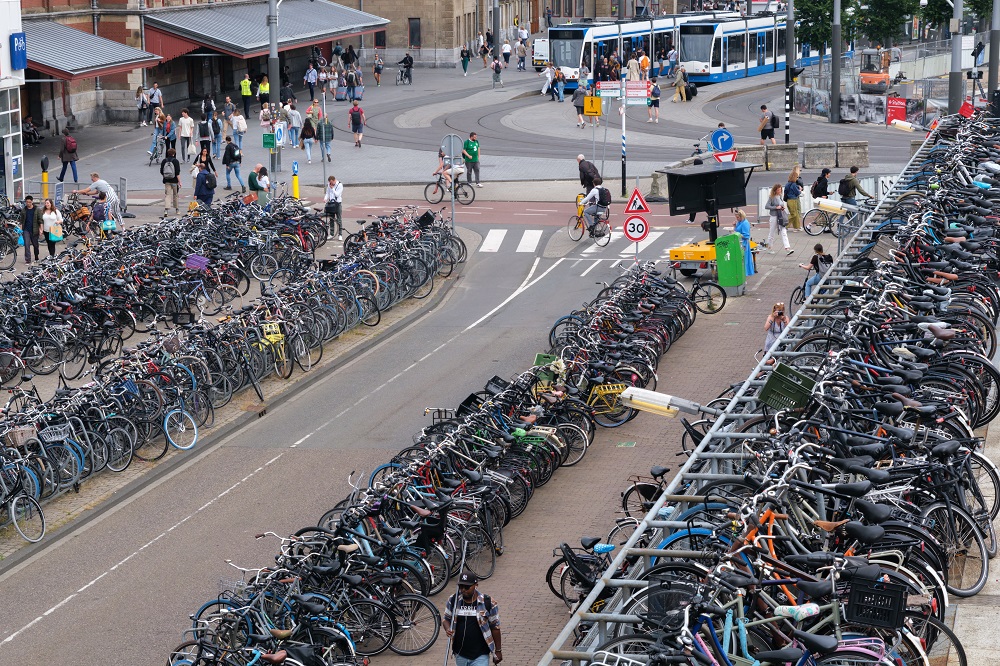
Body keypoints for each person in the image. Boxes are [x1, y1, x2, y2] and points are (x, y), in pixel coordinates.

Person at [443, 572, 502, 666]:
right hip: (460, 653)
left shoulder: (488, 603)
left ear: (476, 585)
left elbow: (495, 627)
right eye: (461, 586)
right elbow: (446, 619)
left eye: (467, 587)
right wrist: (447, 629)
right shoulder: (453, 600)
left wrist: (498, 650)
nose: (463, 590)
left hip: (480, 654)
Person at [764, 183, 793, 256]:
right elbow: (767, 206)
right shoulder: (771, 197)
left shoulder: (780, 196)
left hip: (780, 216)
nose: (780, 191)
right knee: (772, 232)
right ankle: (769, 247)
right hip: (774, 216)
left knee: (783, 231)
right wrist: (775, 207)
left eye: (780, 189)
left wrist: (782, 207)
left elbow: (781, 204)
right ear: (775, 190)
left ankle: (787, 248)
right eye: (778, 190)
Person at [733, 209, 755, 277]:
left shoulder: (745, 223)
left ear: (741, 216)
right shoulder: (740, 222)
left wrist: (737, 234)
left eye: (738, 217)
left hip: (744, 243)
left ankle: (745, 273)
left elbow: (746, 235)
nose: (737, 219)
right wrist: (734, 226)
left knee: (744, 259)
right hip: (740, 242)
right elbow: (737, 230)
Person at [17, 196, 39, 264]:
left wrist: (41, 229)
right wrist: (21, 229)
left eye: (29, 202)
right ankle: (28, 259)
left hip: (34, 229)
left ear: (32, 202)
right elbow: (21, 220)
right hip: (26, 229)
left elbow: (40, 220)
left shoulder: (36, 209)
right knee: (27, 245)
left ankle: (36, 257)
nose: (28, 203)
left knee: (35, 245)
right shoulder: (24, 210)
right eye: (27, 202)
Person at [161, 147, 181, 217]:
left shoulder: (164, 161)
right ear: (174, 154)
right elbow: (177, 172)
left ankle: (166, 210)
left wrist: (165, 176)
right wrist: (179, 182)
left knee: (167, 195)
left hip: (167, 181)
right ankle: (177, 209)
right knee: (175, 195)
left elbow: (161, 171)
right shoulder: (176, 161)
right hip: (174, 181)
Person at [784, 166, 803, 231]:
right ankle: (784, 225)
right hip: (793, 200)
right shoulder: (794, 184)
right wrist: (800, 190)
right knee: (794, 214)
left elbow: (785, 191)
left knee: (795, 214)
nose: (797, 178)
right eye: (797, 177)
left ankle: (797, 226)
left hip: (789, 200)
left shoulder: (787, 184)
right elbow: (797, 193)